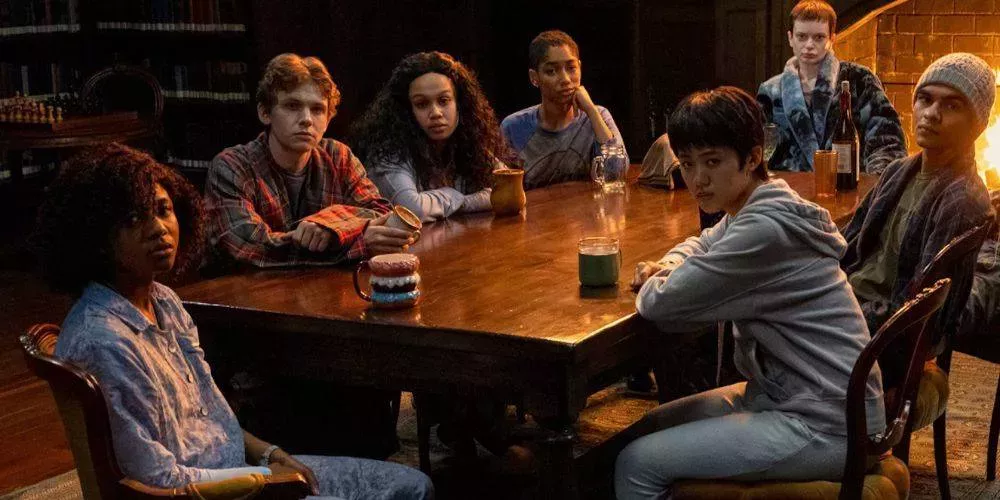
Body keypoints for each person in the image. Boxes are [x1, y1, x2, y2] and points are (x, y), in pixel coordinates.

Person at [32, 143, 433, 499]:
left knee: (412, 486)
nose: (158, 229)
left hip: (238, 471)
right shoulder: (104, 340)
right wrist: (268, 480)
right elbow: (158, 480)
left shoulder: (164, 300)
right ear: (94, 233)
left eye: (163, 210)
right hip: (209, 492)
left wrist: (271, 454)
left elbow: (212, 414)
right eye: (134, 217)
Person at [615, 86, 883, 499]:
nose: (698, 179)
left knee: (637, 463)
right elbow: (702, 243)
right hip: (792, 396)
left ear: (753, 157)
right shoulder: (760, 204)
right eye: (687, 164)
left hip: (829, 423)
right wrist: (668, 265)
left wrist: (656, 279)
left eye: (713, 162)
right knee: (646, 429)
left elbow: (661, 305)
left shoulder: (765, 228)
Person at [842, 53, 996, 383]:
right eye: (925, 99)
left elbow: (919, 315)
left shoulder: (964, 201)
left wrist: (840, 313)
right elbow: (848, 246)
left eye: (952, 105)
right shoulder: (898, 171)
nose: (931, 114)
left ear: (976, 124)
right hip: (847, 304)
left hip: (879, 338)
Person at [206, 53, 416, 268]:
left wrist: (329, 224)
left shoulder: (338, 156)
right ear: (265, 113)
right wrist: (346, 241)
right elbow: (250, 244)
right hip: (247, 287)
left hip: (322, 285)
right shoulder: (232, 166)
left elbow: (381, 214)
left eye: (317, 109)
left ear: (328, 118)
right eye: (292, 106)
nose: (306, 119)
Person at [352, 51, 513, 222]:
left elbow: (509, 188)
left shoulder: (467, 145)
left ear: (459, 104)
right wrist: (457, 198)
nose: (436, 113)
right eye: (422, 104)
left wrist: (460, 203)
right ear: (407, 111)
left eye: (443, 101)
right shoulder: (389, 154)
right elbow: (413, 210)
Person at [757, 0, 906, 174]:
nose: (809, 45)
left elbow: (888, 139)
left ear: (832, 39)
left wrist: (873, 181)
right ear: (791, 38)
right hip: (787, 187)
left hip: (848, 183)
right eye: (802, 36)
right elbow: (756, 149)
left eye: (819, 37)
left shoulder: (859, 80)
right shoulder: (771, 91)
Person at [501, 30, 628, 189]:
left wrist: (591, 110)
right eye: (551, 71)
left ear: (580, 68)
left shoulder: (598, 116)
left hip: (587, 205)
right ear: (534, 77)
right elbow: (502, 189)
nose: (566, 79)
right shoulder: (513, 127)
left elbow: (617, 173)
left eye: (571, 68)